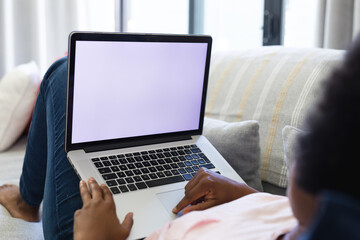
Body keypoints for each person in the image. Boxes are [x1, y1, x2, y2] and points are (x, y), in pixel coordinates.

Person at [1, 34, 360, 239]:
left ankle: (27, 201)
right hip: (222, 203)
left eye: (310, 143)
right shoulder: (318, 220)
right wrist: (249, 196)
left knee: (63, 74)